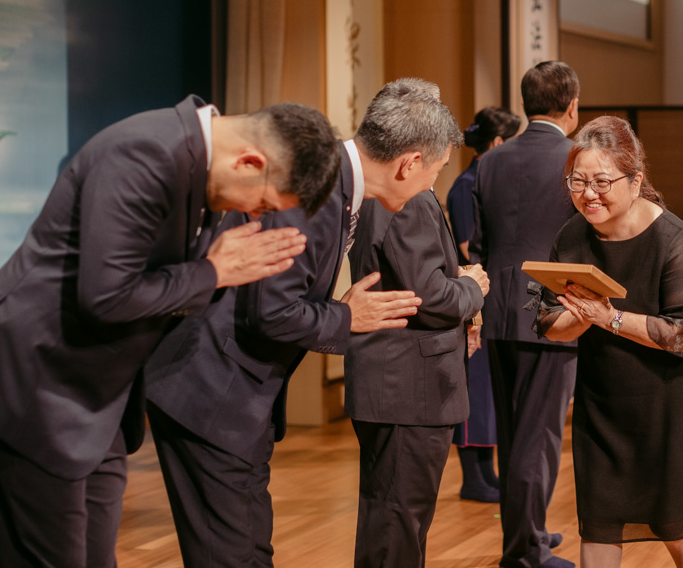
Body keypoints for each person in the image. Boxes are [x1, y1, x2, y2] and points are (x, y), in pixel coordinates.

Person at [0, 95, 338, 567]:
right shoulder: (145, 152)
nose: (254, 215)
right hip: (34, 385)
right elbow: (106, 297)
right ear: (249, 162)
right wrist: (214, 272)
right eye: (264, 204)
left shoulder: (199, 166)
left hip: (95, 401)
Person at [144, 79, 460, 567]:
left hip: (236, 397)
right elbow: (270, 311)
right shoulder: (316, 183)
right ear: (410, 163)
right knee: (229, 555)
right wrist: (348, 316)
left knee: (252, 549)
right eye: (435, 173)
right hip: (209, 392)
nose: (430, 186)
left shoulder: (333, 179)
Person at [538, 116, 683, 568]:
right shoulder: (571, 235)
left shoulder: (674, 241)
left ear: (635, 181)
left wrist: (609, 317)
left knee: (676, 524)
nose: (588, 194)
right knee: (599, 521)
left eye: (602, 182)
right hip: (603, 400)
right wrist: (581, 317)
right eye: (577, 181)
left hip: (671, 400)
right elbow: (549, 322)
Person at [470, 61, 580, 568]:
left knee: (515, 432)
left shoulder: (491, 160)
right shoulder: (576, 158)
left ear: (524, 103)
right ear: (572, 106)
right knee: (540, 436)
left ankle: (526, 533)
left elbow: (479, 243)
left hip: (497, 307)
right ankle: (525, 552)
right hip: (551, 309)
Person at [345, 186, 489, 567]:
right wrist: (472, 288)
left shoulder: (379, 193)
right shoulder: (409, 197)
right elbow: (430, 297)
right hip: (409, 387)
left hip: (394, 380)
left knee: (390, 524)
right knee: (397, 529)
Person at [446, 106, 521, 503]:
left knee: (488, 390)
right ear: (496, 143)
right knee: (474, 387)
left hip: (490, 294)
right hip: (474, 296)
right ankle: (473, 478)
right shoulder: (465, 185)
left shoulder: (488, 178)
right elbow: (466, 248)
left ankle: (486, 473)